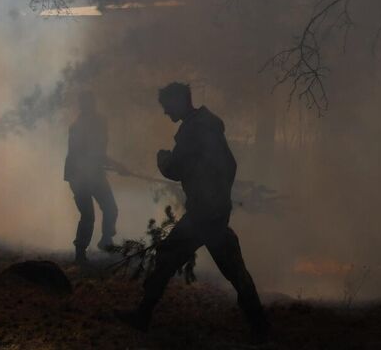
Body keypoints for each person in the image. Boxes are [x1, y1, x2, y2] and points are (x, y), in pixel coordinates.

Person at [116, 82, 269, 340]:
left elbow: (174, 168)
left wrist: (162, 158)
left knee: (167, 258)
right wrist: (219, 198)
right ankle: (260, 327)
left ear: (179, 101)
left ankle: (142, 316)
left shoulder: (193, 130)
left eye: (167, 107)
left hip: (202, 215)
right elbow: (230, 166)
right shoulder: (208, 126)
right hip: (215, 212)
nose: (165, 112)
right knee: (233, 268)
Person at [65, 91, 120, 263]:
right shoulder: (77, 127)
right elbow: (83, 155)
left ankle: (106, 241)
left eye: (91, 103)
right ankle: (80, 253)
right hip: (78, 176)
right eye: (86, 103)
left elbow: (99, 153)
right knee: (88, 215)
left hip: (94, 174)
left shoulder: (100, 123)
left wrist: (115, 165)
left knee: (111, 208)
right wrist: (115, 165)